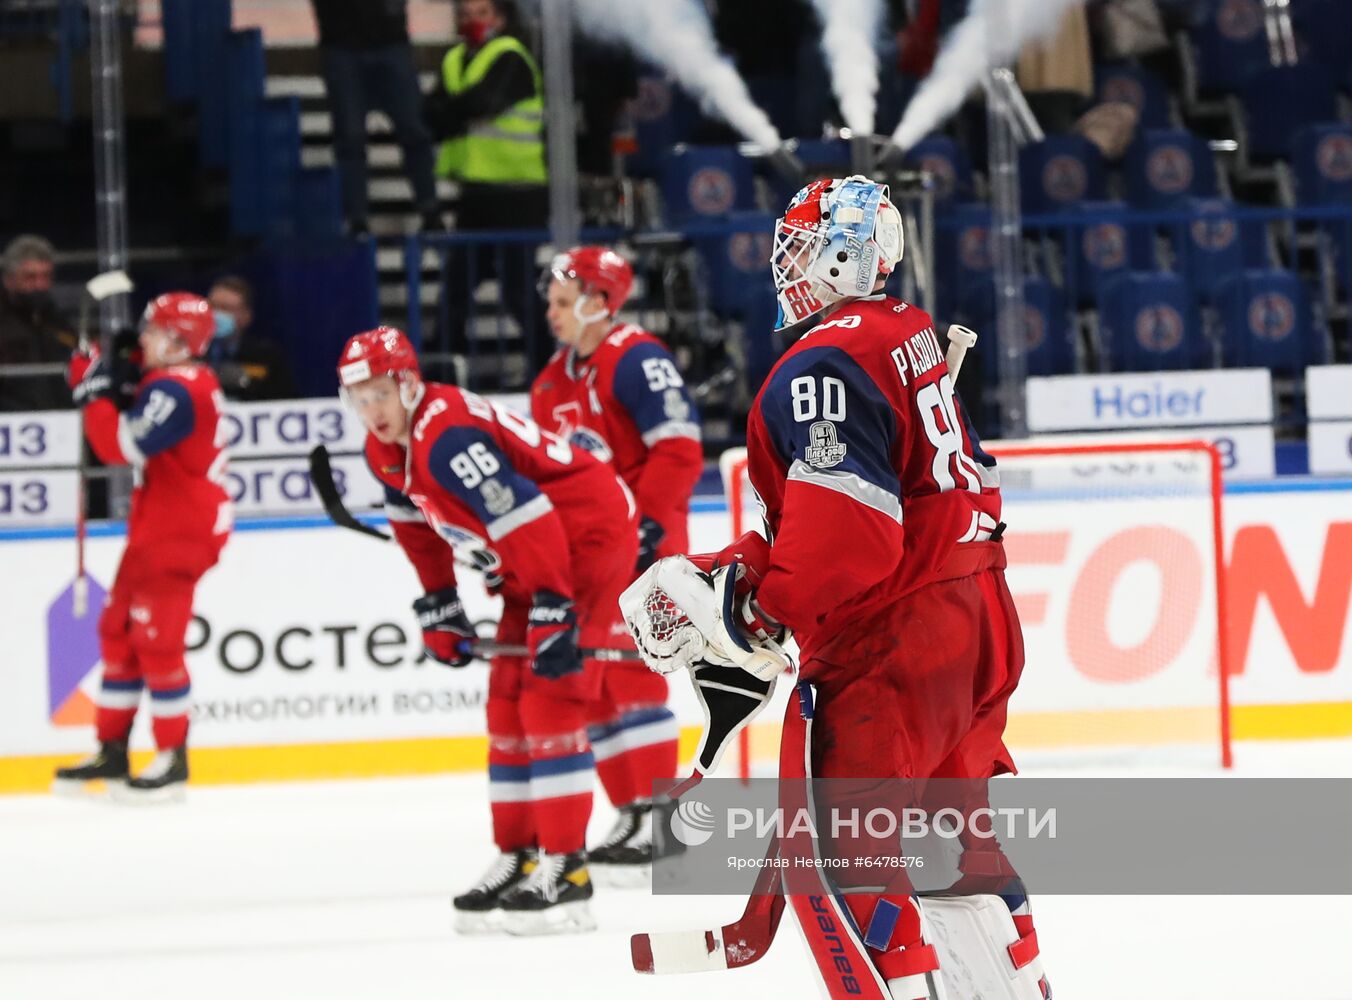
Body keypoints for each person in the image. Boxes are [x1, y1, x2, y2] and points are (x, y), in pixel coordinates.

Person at [622, 176, 1051, 999]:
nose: (785, 264)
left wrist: (759, 613)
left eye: (800, 247)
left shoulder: (821, 362)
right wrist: (740, 573)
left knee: (854, 873)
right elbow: (883, 498)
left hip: (892, 650)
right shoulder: (907, 332)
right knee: (956, 853)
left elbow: (851, 535)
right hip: (976, 626)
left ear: (843, 256)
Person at [339, 325, 636, 934]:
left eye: (379, 393)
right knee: (506, 707)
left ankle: (569, 869)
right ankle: (520, 854)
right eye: (358, 399)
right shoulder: (386, 449)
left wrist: (555, 605)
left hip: (585, 542)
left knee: (551, 705)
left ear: (408, 383)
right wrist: (440, 602)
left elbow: (526, 514)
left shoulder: (446, 436)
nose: (371, 412)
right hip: (535, 557)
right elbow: (419, 531)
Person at [530, 247, 702, 881]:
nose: (549, 313)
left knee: (631, 677)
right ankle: (633, 814)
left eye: (559, 301)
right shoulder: (551, 381)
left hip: (644, 551)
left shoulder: (638, 359)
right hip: (589, 556)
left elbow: (679, 450)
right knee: (596, 682)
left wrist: (649, 527)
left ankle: (664, 824)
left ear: (598, 301)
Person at [54, 292, 233, 802]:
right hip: (157, 523)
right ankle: (111, 749)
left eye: (154, 331)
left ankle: (172, 758)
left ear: (179, 342)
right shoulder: (172, 379)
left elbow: (119, 448)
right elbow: (136, 385)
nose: (145, 339)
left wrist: (94, 392)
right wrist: (114, 375)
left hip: (181, 530)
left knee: (157, 642)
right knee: (119, 633)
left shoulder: (180, 389)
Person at [423, 0, 550, 376]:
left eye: (481, 13)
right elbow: (429, 114)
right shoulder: (453, 60)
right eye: (465, 14)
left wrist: (453, 110)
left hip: (519, 192)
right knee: (456, 289)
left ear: (500, 19)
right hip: (476, 192)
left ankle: (546, 368)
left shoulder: (512, 56)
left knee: (518, 291)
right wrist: (457, 111)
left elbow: (485, 102)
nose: (472, 21)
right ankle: (440, 369)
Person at [308, 0, 442, 236]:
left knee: (414, 128)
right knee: (350, 137)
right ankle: (357, 219)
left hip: (389, 39)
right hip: (341, 44)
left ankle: (430, 209)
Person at [0, 234, 77, 412]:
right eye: (30, 277)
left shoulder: (55, 320)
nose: (40, 285)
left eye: (46, 276)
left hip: (60, 419)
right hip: (10, 423)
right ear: (9, 279)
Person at [206, 276, 298, 402]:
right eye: (212, 306)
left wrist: (247, 383)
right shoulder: (190, 353)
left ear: (246, 316)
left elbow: (285, 401)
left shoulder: (267, 356)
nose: (216, 314)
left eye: (226, 308)